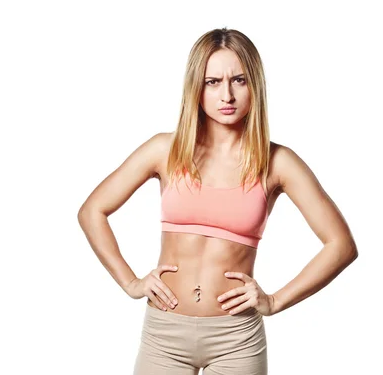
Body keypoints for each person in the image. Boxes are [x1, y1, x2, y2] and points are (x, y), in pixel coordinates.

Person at [77, 27, 358, 375]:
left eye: (239, 80)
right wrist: (130, 282)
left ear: (254, 85)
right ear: (196, 88)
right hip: (164, 335)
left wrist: (275, 300)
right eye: (212, 82)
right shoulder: (165, 150)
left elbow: (341, 245)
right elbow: (93, 210)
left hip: (236, 340)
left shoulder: (278, 162)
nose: (227, 94)